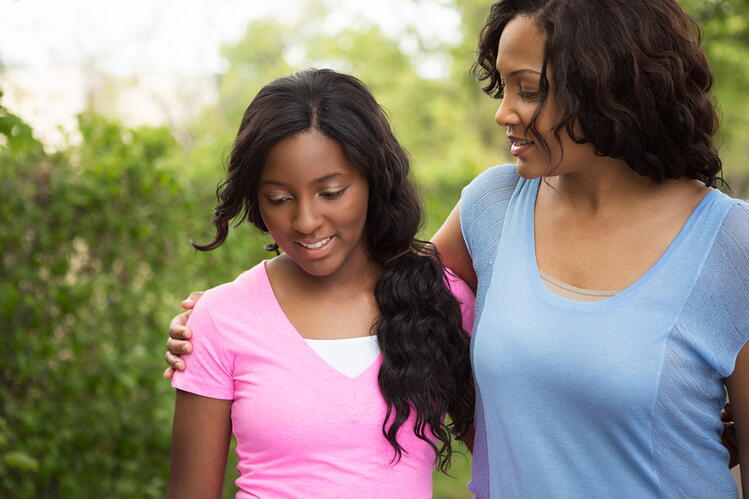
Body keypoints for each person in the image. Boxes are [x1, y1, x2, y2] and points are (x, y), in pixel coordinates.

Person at [166, 0, 748, 497]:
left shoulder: (731, 245)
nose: (504, 112)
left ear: (609, 84)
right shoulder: (492, 208)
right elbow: (382, 282)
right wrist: (230, 316)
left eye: (529, 90)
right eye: (505, 86)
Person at [165, 68, 476, 498]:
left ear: (373, 179)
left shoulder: (440, 300)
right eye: (279, 199)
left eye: (330, 193)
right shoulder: (220, 318)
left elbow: (509, 456)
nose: (306, 222)